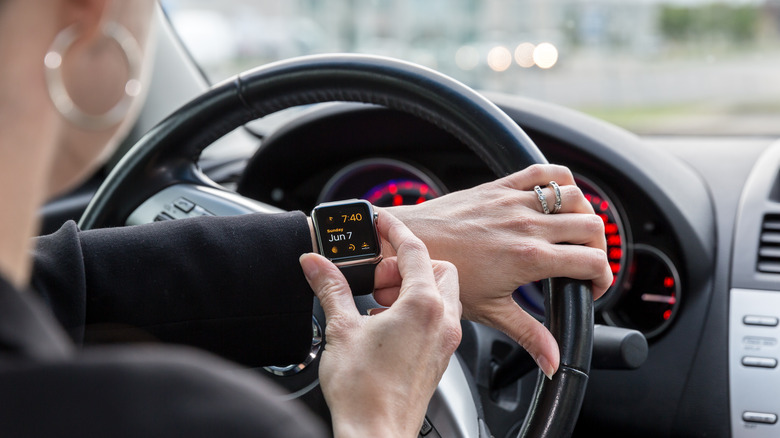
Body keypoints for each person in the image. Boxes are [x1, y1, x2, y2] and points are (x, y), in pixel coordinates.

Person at [0, 0, 611, 436]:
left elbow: (63, 283)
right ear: (87, 15)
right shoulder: (181, 415)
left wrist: (380, 242)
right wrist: (380, 412)